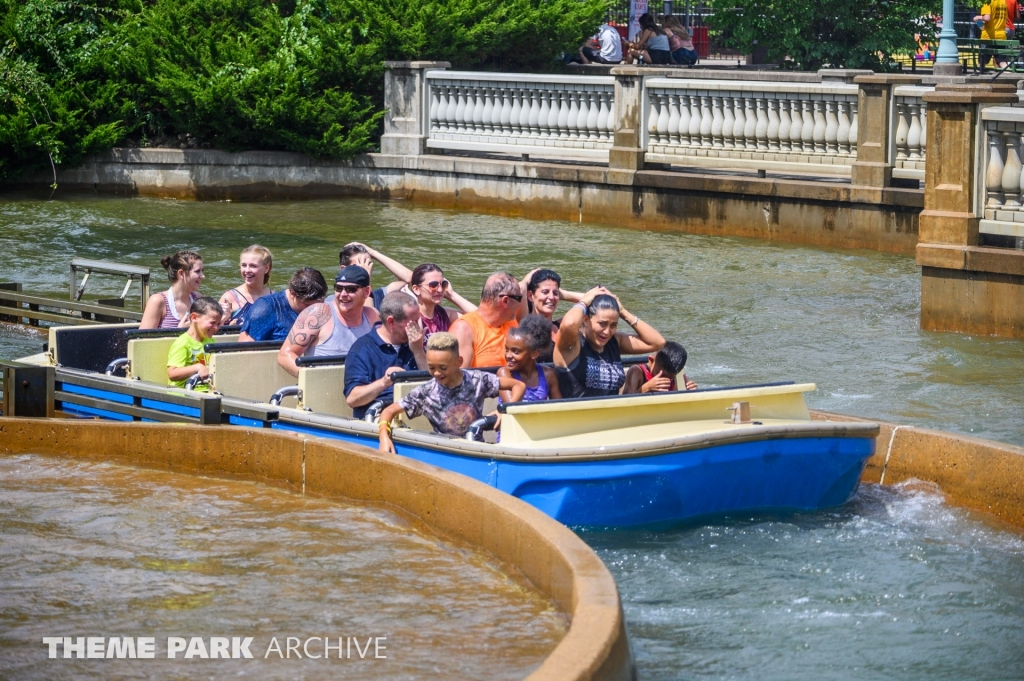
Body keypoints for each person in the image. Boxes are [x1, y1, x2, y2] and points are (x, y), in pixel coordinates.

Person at [376, 332, 526, 451]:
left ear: (458, 362)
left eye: (443, 368)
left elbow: (518, 385)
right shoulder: (425, 392)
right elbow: (388, 411)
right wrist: (384, 436)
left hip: (477, 449)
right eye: (431, 368)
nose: (436, 373)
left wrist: (504, 411)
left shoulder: (478, 380)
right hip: (445, 451)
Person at [554, 287, 666, 397]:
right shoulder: (572, 343)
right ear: (586, 320)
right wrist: (583, 302)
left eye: (613, 325)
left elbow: (657, 342)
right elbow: (569, 324)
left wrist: (622, 311)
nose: (607, 332)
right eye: (602, 324)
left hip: (613, 413)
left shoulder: (614, 342)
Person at [277, 265, 380, 377]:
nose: (343, 294)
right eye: (339, 288)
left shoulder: (373, 316)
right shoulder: (318, 313)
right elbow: (285, 355)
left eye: (351, 289)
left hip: (364, 387)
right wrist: (310, 379)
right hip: (323, 387)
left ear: (366, 292)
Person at [344, 292, 427, 419]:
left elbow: (435, 387)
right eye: (413, 322)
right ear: (391, 322)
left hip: (417, 415)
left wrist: (418, 351)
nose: (418, 328)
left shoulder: (417, 344)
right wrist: (384, 382)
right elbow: (352, 399)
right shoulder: (362, 349)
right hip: (377, 417)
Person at [343, 242, 478, 319]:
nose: (365, 269)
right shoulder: (340, 300)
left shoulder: (381, 295)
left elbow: (409, 278)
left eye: (368, 264)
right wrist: (364, 278)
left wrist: (373, 253)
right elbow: (365, 318)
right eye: (359, 266)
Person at [449, 272, 525, 368]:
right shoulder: (464, 329)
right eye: (519, 298)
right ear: (505, 301)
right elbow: (458, 379)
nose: (520, 303)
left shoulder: (511, 323)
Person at [238, 267, 327, 342]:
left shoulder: (329, 306)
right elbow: (243, 350)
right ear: (292, 294)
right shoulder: (265, 309)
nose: (315, 310)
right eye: (308, 305)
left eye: (320, 305)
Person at [497, 315, 562, 404]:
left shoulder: (549, 375)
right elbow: (511, 407)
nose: (508, 355)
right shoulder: (504, 373)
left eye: (515, 351)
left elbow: (558, 406)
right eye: (507, 349)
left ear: (534, 354)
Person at [166, 297, 223, 391]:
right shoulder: (183, 342)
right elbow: (172, 374)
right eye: (212, 323)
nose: (216, 328)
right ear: (194, 317)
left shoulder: (210, 341)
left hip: (207, 390)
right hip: (184, 394)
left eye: (218, 324)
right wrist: (197, 367)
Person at [140, 250, 204, 329]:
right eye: (197, 271)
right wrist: (179, 332)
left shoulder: (198, 299)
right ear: (181, 274)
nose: (203, 276)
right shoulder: (158, 301)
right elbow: (143, 339)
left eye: (202, 271)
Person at [218, 244, 273, 326]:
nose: (247, 270)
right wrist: (224, 321)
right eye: (244, 265)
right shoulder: (229, 298)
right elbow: (212, 332)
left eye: (253, 266)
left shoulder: (275, 298)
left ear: (266, 268)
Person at [622, 341, 698, 394]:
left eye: (670, 378)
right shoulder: (637, 371)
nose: (664, 379)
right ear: (651, 361)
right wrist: (647, 387)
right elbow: (624, 400)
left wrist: (690, 393)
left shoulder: (671, 375)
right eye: (660, 374)